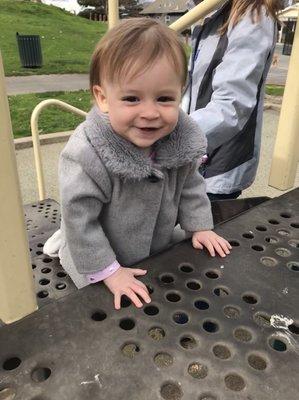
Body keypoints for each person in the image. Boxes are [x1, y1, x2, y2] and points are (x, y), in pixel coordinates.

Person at [44, 18, 231, 310]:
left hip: (157, 245)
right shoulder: (87, 153)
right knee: (109, 314)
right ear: (103, 98)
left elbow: (190, 185)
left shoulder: (179, 139)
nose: (150, 113)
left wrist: (199, 227)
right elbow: (79, 219)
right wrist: (110, 271)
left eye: (164, 98)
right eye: (132, 98)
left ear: (180, 93)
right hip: (101, 256)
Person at [182, 0, 280, 200]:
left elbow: (232, 105)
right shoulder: (205, 13)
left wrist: (170, 138)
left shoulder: (252, 14)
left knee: (202, 225)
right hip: (191, 152)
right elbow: (194, 85)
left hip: (219, 163)